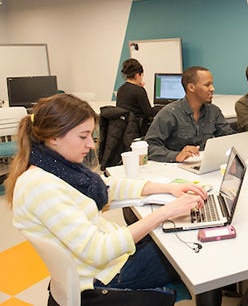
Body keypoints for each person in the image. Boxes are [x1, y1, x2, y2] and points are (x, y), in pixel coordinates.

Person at [4, 93, 208, 297]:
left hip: (106, 264)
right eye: (83, 136)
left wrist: (167, 188)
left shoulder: (56, 166)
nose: (91, 145)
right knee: (192, 249)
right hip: (105, 276)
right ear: (54, 137)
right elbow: (98, 250)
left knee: (178, 237)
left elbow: (106, 186)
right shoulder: (40, 186)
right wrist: (164, 213)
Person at [146, 66, 235, 162]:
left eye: (212, 84)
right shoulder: (169, 113)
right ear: (191, 87)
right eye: (207, 85)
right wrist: (175, 156)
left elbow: (228, 136)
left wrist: (242, 142)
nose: (212, 88)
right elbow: (149, 146)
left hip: (204, 164)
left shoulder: (213, 111)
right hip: (176, 168)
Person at [116, 58, 161, 136]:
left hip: (126, 128)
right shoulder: (139, 90)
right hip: (139, 128)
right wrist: (165, 108)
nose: (141, 79)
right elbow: (149, 112)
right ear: (137, 75)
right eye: (141, 76)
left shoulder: (121, 89)